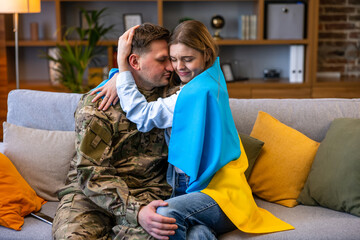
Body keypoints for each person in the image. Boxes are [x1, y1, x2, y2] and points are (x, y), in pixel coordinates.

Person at [94, 20, 294, 240]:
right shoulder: (210, 79)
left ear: (205, 54)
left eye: (187, 59)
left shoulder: (194, 93)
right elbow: (146, 77)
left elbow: (143, 116)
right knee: (197, 233)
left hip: (219, 194)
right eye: (173, 58)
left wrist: (123, 67)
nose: (178, 67)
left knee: (166, 215)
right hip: (198, 190)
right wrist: (118, 77)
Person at [52, 23, 183, 240]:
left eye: (171, 58)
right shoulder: (97, 104)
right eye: (162, 60)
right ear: (134, 61)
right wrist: (134, 211)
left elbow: (203, 70)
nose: (171, 67)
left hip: (148, 192)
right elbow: (91, 172)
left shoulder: (175, 99)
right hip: (90, 196)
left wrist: (119, 74)